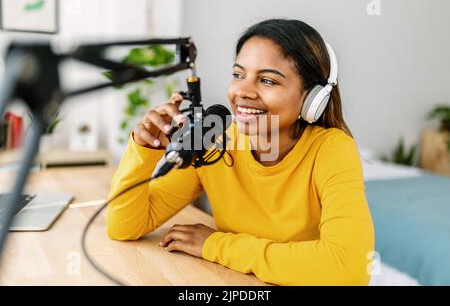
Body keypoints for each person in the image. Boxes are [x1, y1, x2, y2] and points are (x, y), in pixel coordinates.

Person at [106, 19, 375, 285]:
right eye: (238, 74)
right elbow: (125, 226)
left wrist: (217, 245)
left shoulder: (331, 149)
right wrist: (144, 147)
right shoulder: (215, 141)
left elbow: (347, 267)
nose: (243, 92)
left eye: (267, 80)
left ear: (312, 98)